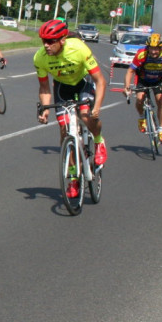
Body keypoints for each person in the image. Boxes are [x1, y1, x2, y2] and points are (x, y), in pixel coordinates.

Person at [33, 18, 109, 198]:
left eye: (51, 41)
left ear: (62, 40)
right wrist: (45, 108)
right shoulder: (40, 57)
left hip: (83, 82)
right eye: (44, 41)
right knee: (64, 129)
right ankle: (74, 178)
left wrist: (96, 108)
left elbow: (100, 81)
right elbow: (44, 88)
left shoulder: (79, 49)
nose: (46, 46)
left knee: (85, 115)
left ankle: (98, 141)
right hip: (62, 86)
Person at [123, 32, 162, 143]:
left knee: (160, 100)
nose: (153, 52)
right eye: (151, 48)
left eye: (156, 49)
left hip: (159, 80)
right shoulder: (141, 53)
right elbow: (130, 71)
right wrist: (127, 87)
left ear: (161, 47)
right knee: (139, 99)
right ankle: (142, 117)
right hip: (143, 79)